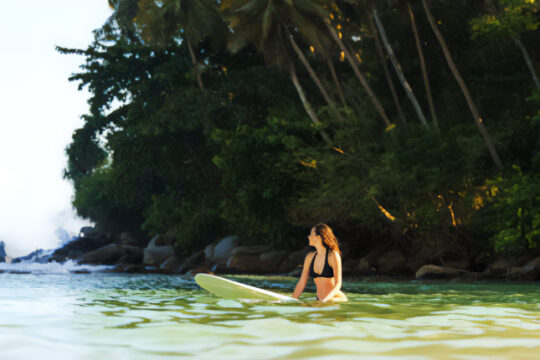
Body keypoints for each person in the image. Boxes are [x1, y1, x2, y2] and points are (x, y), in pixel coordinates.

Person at [292, 223, 348, 302]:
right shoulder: (310, 257)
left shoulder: (333, 255)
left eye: (311, 234)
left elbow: (338, 284)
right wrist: (292, 300)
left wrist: (325, 300)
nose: (308, 237)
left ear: (318, 237)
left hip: (334, 299)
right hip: (320, 300)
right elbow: (301, 283)